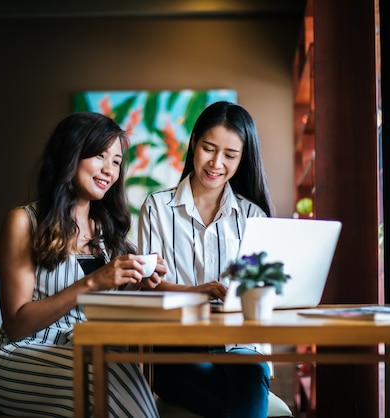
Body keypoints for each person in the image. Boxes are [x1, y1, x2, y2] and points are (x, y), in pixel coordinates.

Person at [0, 112, 164, 417]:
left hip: (89, 348)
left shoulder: (108, 231)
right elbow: (16, 325)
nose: (109, 170)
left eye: (117, 161)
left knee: (128, 379)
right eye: (99, 156)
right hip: (26, 353)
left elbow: (114, 308)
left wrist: (139, 284)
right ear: (71, 155)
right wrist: (93, 283)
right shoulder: (24, 221)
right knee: (113, 382)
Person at [137, 101, 273, 418]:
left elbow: (262, 294)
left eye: (230, 155)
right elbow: (147, 287)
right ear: (194, 142)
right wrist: (199, 291)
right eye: (209, 149)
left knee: (247, 376)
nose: (216, 163)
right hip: (178, 347)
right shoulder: (157, 208)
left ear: (243, 158)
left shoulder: (254, 216)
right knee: (244, 401)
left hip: (241, 346)